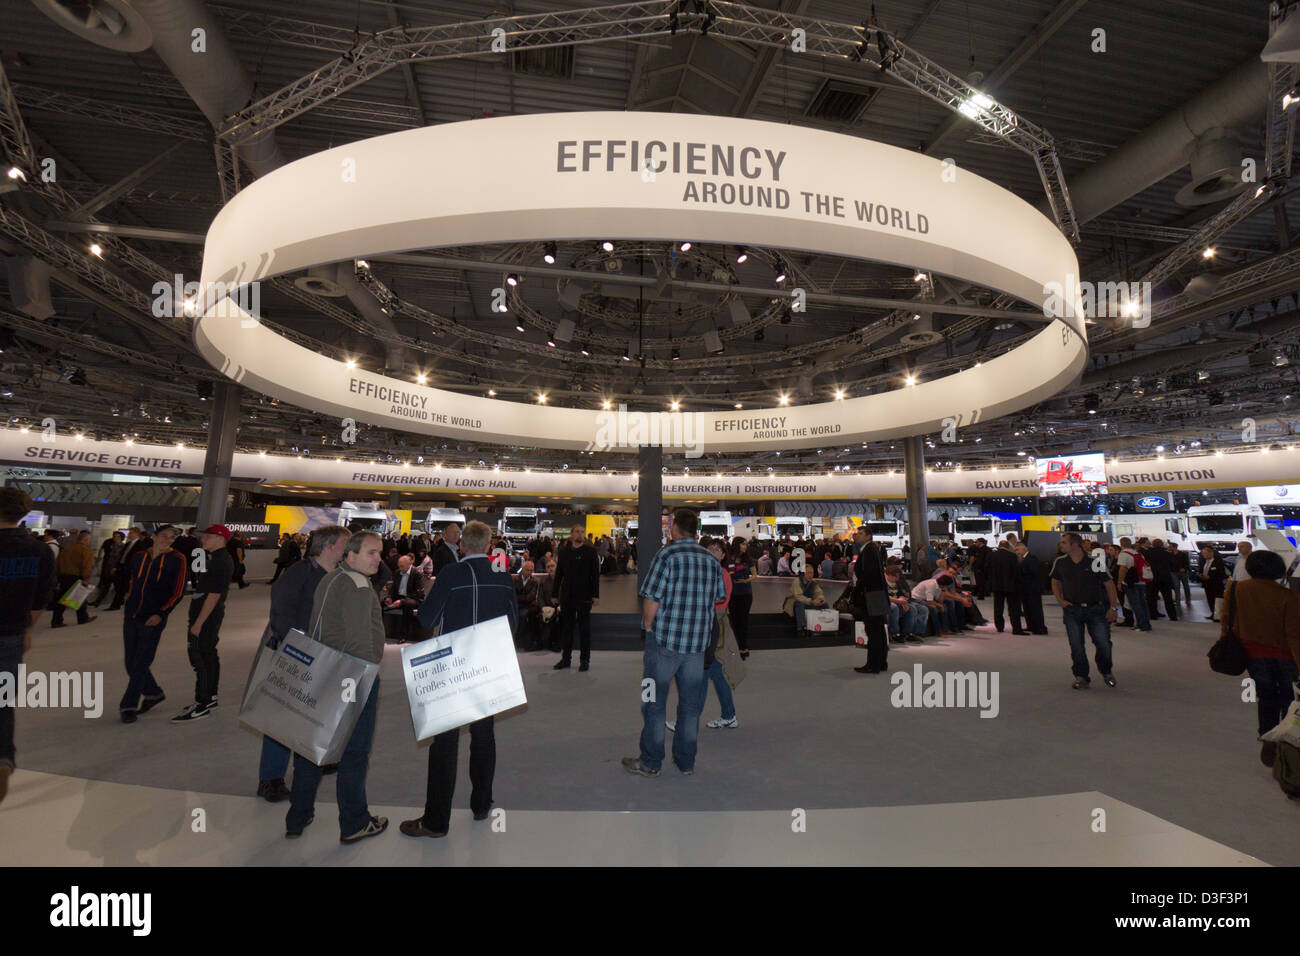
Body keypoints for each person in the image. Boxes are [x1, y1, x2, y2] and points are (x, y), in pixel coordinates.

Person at [402, 521, 518, 838]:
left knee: (445, 742)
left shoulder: (452, 574)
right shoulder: (502, 574)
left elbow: (427, 618)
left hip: (453, 666)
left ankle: (436, 821)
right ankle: (481, 805)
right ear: (489, 544)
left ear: (463, 546)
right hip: (489, 664)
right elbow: (513, 622)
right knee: (484, 735)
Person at [285, 530, 388, 843]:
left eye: (380, 552)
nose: (378, 559)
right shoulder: (358, 586)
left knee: (312, 746)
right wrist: (368, 676)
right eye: (371, 552)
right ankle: (355, 822)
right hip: (352, 676)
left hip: (323, 670)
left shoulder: (331, 578)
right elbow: (360, 642)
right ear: (351, 555)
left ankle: (297, 817)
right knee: (355, 753)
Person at [624, 509, 725, 778]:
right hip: (696, 648)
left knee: (652, 702)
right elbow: (717, 598)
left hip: (664, 644)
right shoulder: (711, 560)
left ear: (674, 528)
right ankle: (686, 762)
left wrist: (648, 627)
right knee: (690, 707)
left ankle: (651, 761)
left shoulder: (666, 555)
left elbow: (651, 599)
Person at [257, 525, 351, 803]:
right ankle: (270, 778)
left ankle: (314, 758)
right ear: (330, 545)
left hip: (329, 655)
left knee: (318, 711)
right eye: (346, 544)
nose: (349, 549)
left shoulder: (339, 575)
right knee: (283, 717)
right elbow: (281, 611)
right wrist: (295, 647)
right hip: (298, 655)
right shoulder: (300, 572)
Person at [0, 488, 55, 805]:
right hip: (12, 635)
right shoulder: (39, 551)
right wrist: (29, 630)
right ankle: (2, 756)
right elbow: (40, 599)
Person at [1221, 549, 1300, 767]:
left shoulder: (1236, 589)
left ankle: (1267, 737)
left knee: (1265, 697)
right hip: (1284, 656)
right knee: (1288, 698)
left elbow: (1226, 619)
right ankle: (1285, 741)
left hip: (1253, 654)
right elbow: (1294, 634)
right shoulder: (1287, 596)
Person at [118, 526, 186, 722]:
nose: (167, 540)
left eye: (171, 538)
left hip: (153, 618)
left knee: (140, 662)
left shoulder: (177, 559)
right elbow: (132, 579)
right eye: (164, 536)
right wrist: (128, 598)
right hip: (132, 614)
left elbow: (178, 591)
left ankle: (128, 705)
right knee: (130, 662)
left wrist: (161, 613)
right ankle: (154, 693)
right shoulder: (139, 556)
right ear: (154, 537)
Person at [172, 525, 235, 722]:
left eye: (208, 537)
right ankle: (210, 697)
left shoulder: (220, 562)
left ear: (220, 538)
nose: (203, 540)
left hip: (207, 616)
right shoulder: (214, 558)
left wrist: (198, 623)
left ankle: (203, 702)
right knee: (208, 654)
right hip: (208, 614)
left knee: (199, 656)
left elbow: (214, 595)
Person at [1050, 533, 1121, 690]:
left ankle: (1106, 671)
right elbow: (1055, 582)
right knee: (1076, 645)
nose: (1061, 545)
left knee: (1103, 643)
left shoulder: (1095, 560)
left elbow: (1109, 584)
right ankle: (1081, 676)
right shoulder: (1060, 562)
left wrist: (1113, 607)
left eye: (1064, 542)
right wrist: (1061, 601)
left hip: (1096, 609)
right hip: (1072, 611)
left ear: (1075, 544)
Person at [553, 523, 600, 671]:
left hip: (585, 596)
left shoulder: (591, 552)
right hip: (567, 596)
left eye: (582, 532)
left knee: (584, 629)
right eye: (577, 532)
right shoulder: (564, 552)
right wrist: (555, 594)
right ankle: (565, 659)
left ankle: (585, 660)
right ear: (572, 534)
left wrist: (596, 595)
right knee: (567, 629)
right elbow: (558, 574)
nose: (580, 534)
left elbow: (595, 576)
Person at [851, 531, 890, 674]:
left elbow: (868, 574)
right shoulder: (871, 549)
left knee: (873, 630)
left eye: (860, 533)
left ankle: (873, 664)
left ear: (868, 536)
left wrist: (859, 588)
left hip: (871, 595)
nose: (857, 535)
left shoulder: (868, 550)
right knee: (878, 630)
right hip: (876, 594)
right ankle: (880, 662)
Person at [51, 531, 96, 628]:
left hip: (63, 576)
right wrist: (86, 578)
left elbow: (57, 563)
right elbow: (86, 566)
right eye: (89, 540)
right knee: (80, 597)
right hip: (77, 577)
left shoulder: (66, 550)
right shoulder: (87, 551)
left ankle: (56, 620)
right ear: (85, 540)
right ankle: (82, 618)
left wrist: (58, 575)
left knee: (62, 599)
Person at [383, 553, 425, 644]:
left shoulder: (417, 573)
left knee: (407, 605)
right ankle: (381, 631)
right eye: (399, 566)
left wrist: (402, 601)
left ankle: (403, 635)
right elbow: (393, 588)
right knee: (381, 603)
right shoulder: (398, 572)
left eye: (402, 566)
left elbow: (419, 593)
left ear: (409, 564)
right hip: (399, 597)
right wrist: (389, 597)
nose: (400, 568)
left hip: (412, 598)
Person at [987, 539, 1024, 634]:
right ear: (1008, 546)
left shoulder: (992, 556)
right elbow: (1016, 572)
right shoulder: (1012, 556)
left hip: (996, 585)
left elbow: (987, 569)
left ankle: (999, 627)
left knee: (998, 607)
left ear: (999, 546)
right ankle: (1016, 628)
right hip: (1010, 585)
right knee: (1013, 608)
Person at [1116, 538, 1150, 632]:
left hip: (1130, 582)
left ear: (1121, 544)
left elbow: (1122, 569)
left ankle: (1141, 625)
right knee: (1143, 603)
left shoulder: (1123, 554)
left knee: (1135, 604)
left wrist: (1119, 582)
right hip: (1141, 581)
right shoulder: (1138, 553)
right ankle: (1146, 623)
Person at [884, 564, 924, 643]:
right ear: (889, 575)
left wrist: (903, 602)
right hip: (887, 602)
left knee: (912, 608)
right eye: (896, 577)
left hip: (897, 602)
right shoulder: (882, 582)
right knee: (894, 607)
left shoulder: (897, 583)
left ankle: (907, 633)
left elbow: (901, 594)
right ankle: (894, 634)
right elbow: (884, 596)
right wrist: (899, 601)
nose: (897, 579)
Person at [1014, 544, 1047, 634]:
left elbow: (1035, 573)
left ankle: (1039, 628)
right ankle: (1031, 626)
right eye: (1015, 550)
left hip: (1032, 589)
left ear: (1024, 549)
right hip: (1025, 589)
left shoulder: (1032, 559)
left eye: (1018, 550)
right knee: (1027, 609)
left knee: (1035, 609)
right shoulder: (1022, 559)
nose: (1016, 552)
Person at [727, 542, 753, 660]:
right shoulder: (729, 560)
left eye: (745, 544)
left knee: (744, 620)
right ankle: (737, 646)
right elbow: (727, 574)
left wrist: (746, 580)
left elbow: (755, 575)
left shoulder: (748, 559)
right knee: (734, 621)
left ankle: (744, 646)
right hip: (733, 594)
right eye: (742, 544)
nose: (744, 546)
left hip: (746, 594)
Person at [783, 564, 827, 630]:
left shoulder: (814, 583)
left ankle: (825, 625)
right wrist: (811, 601)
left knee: (824, 604)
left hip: (807, 603)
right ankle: (801, 627)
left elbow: (819, 593)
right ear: (803, 573)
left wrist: (820, 600)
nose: (810, 575)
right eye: (808, 573)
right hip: (793, 606)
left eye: (812, 573)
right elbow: (798, 596)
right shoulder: (797, 581)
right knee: (799, 604)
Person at [88, 531, 124, 607]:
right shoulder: (112, 545)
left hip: (116, 570)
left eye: (117, 537)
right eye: (114, 536)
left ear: (121, 538)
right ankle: (97, 602)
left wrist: (115, 568)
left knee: (117, 588)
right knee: (106, 587)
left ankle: (119, 602)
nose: (115, 538)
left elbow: (120, 559)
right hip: (109, 569)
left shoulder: (122, 547)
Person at [1146, 538, 1179, 621]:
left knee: (1152, 598)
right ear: (1162, 544)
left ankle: (1153, 614)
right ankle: (1172, 616)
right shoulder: (1167, 554)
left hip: (1152, 578)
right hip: (1165, 578)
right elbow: (1173, 564)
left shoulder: (1148, 553)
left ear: (1153, 544)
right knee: (1168, 599)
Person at [513, 560, 542, 649]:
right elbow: (512, 595)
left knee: (523, 616)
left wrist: (519, 597)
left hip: (527, 606)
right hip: (515, 605)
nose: (529, 572)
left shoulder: (535, 581)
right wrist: (523, 598)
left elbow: (530, 597)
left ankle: (520, 641)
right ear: (522, 569)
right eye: (527, 570)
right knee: (513, 616)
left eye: (531, 570)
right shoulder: (514, 579)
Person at [1200, 546, 1227, 621]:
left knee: (1217, 599)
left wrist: (1210, 577)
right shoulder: (1204, 561)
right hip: (1207, 584)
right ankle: (1213, 613)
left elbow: (1221, 573)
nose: (1203, 555)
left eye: (1205, 553)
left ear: (1211, 553)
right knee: (1210, 599)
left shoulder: (1218, 561)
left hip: (1216, 584)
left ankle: (1219, 615)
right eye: (1203, 553)